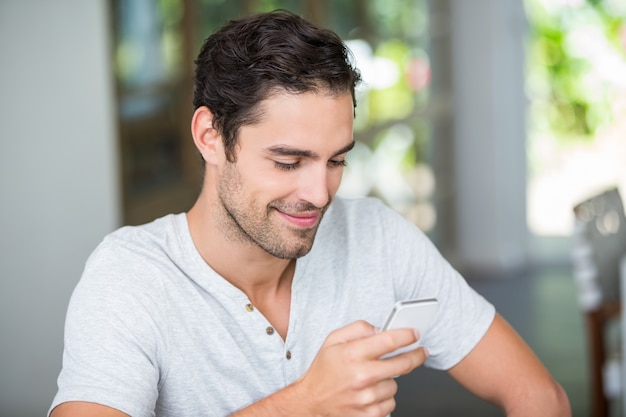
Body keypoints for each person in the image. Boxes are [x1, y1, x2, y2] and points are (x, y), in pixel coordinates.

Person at [49, 9, 571, 417]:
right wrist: (305, 404)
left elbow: (541, 397)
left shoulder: (377, 236)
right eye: (288, 161)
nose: (320, 194)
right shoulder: (131, 278)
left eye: (336, 160)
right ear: (211, 136)